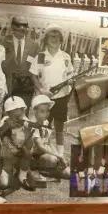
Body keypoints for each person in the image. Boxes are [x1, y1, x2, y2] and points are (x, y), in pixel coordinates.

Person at [30, 25, 74, 157]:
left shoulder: (66, 56)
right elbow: (33, 75)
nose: (54, 39)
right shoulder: (41, 56)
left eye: (57, 37)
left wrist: (70, 83)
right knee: (43, 126)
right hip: (44, 98)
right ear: (46, 39)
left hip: (61, 97)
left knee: (59, 126)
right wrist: (42, 90)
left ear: (61, 40)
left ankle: (60, 154)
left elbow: (70, 75)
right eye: (51, 36)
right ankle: (41, 153)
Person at [0, 96, 38, 191]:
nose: (19, 113)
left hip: (21, 153)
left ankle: (22, 174)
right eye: (15, 111)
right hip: (7, 155)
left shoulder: (26, 121)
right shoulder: (5, 121)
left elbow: (28, 141)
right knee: (4, 184)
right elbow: (1, 137)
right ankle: (7, 171)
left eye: (21, 110)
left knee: (29, 144)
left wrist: (24, 150)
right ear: (8, 113)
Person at [30, 95, 70, 181]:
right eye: (42, 111)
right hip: (34, 156)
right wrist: (57, 156)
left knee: (67, 172)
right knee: (51, 160)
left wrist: (59, 156)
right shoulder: (33, 125)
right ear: (35, 111)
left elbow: (49, 142)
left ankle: (54, 171)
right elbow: (40, 146)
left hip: (44, 153)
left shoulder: (46, 122)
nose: (46, 114)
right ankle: (39, 171)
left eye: (48, 111)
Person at [2, 16, 39, 105]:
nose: (21, 28)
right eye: (18, 25)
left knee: (23, 114)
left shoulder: (35, 45)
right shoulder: (2, 42)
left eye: (24, 25)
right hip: (8, 85)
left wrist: (39, 87)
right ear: (12, 26)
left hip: (26, 86)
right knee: (7, 113)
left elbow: (40, 66)